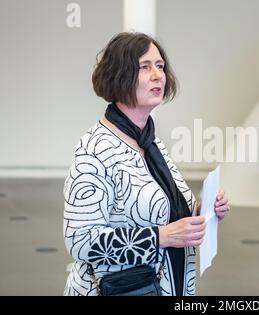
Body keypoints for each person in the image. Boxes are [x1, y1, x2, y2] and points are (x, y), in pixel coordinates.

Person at [63, 32, 230, 296]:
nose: (158, 75)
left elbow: (160, 212)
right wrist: (161, 237)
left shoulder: (149, 141)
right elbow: (80, 241)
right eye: (144, 67)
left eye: (160, 66)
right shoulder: (94, 149)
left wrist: (202, 211)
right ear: (119, 75)